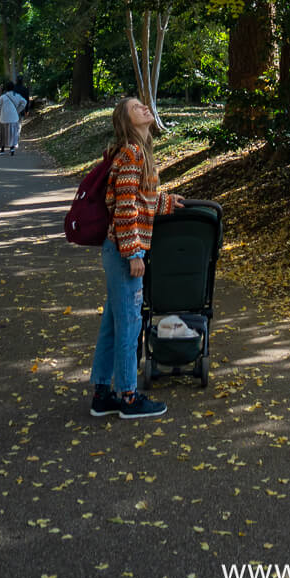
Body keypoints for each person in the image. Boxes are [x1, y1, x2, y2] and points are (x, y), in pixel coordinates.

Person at [89, 97, 183, 420]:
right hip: (123, 251)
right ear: (128, 122)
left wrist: (168, 202)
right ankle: (127, 397)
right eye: (135, 108)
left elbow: (141, 198)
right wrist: (134, 253)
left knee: (113, 325)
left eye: (143, 105)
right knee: (128, 325)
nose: (144, 108)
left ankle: (102, 393)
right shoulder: (132, 153)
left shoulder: (135, 154)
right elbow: (126, 207)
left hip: (116, 250)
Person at [0, 83, 27, 154]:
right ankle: (12, 148)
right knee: (13, 133)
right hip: (14, 117)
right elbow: (24, 102)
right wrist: (18, 110)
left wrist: (2, 112)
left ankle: (2, 149)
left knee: (3, 133)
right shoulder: (17, 96)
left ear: (6, 89)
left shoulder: (3, 97)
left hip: (4, 118)